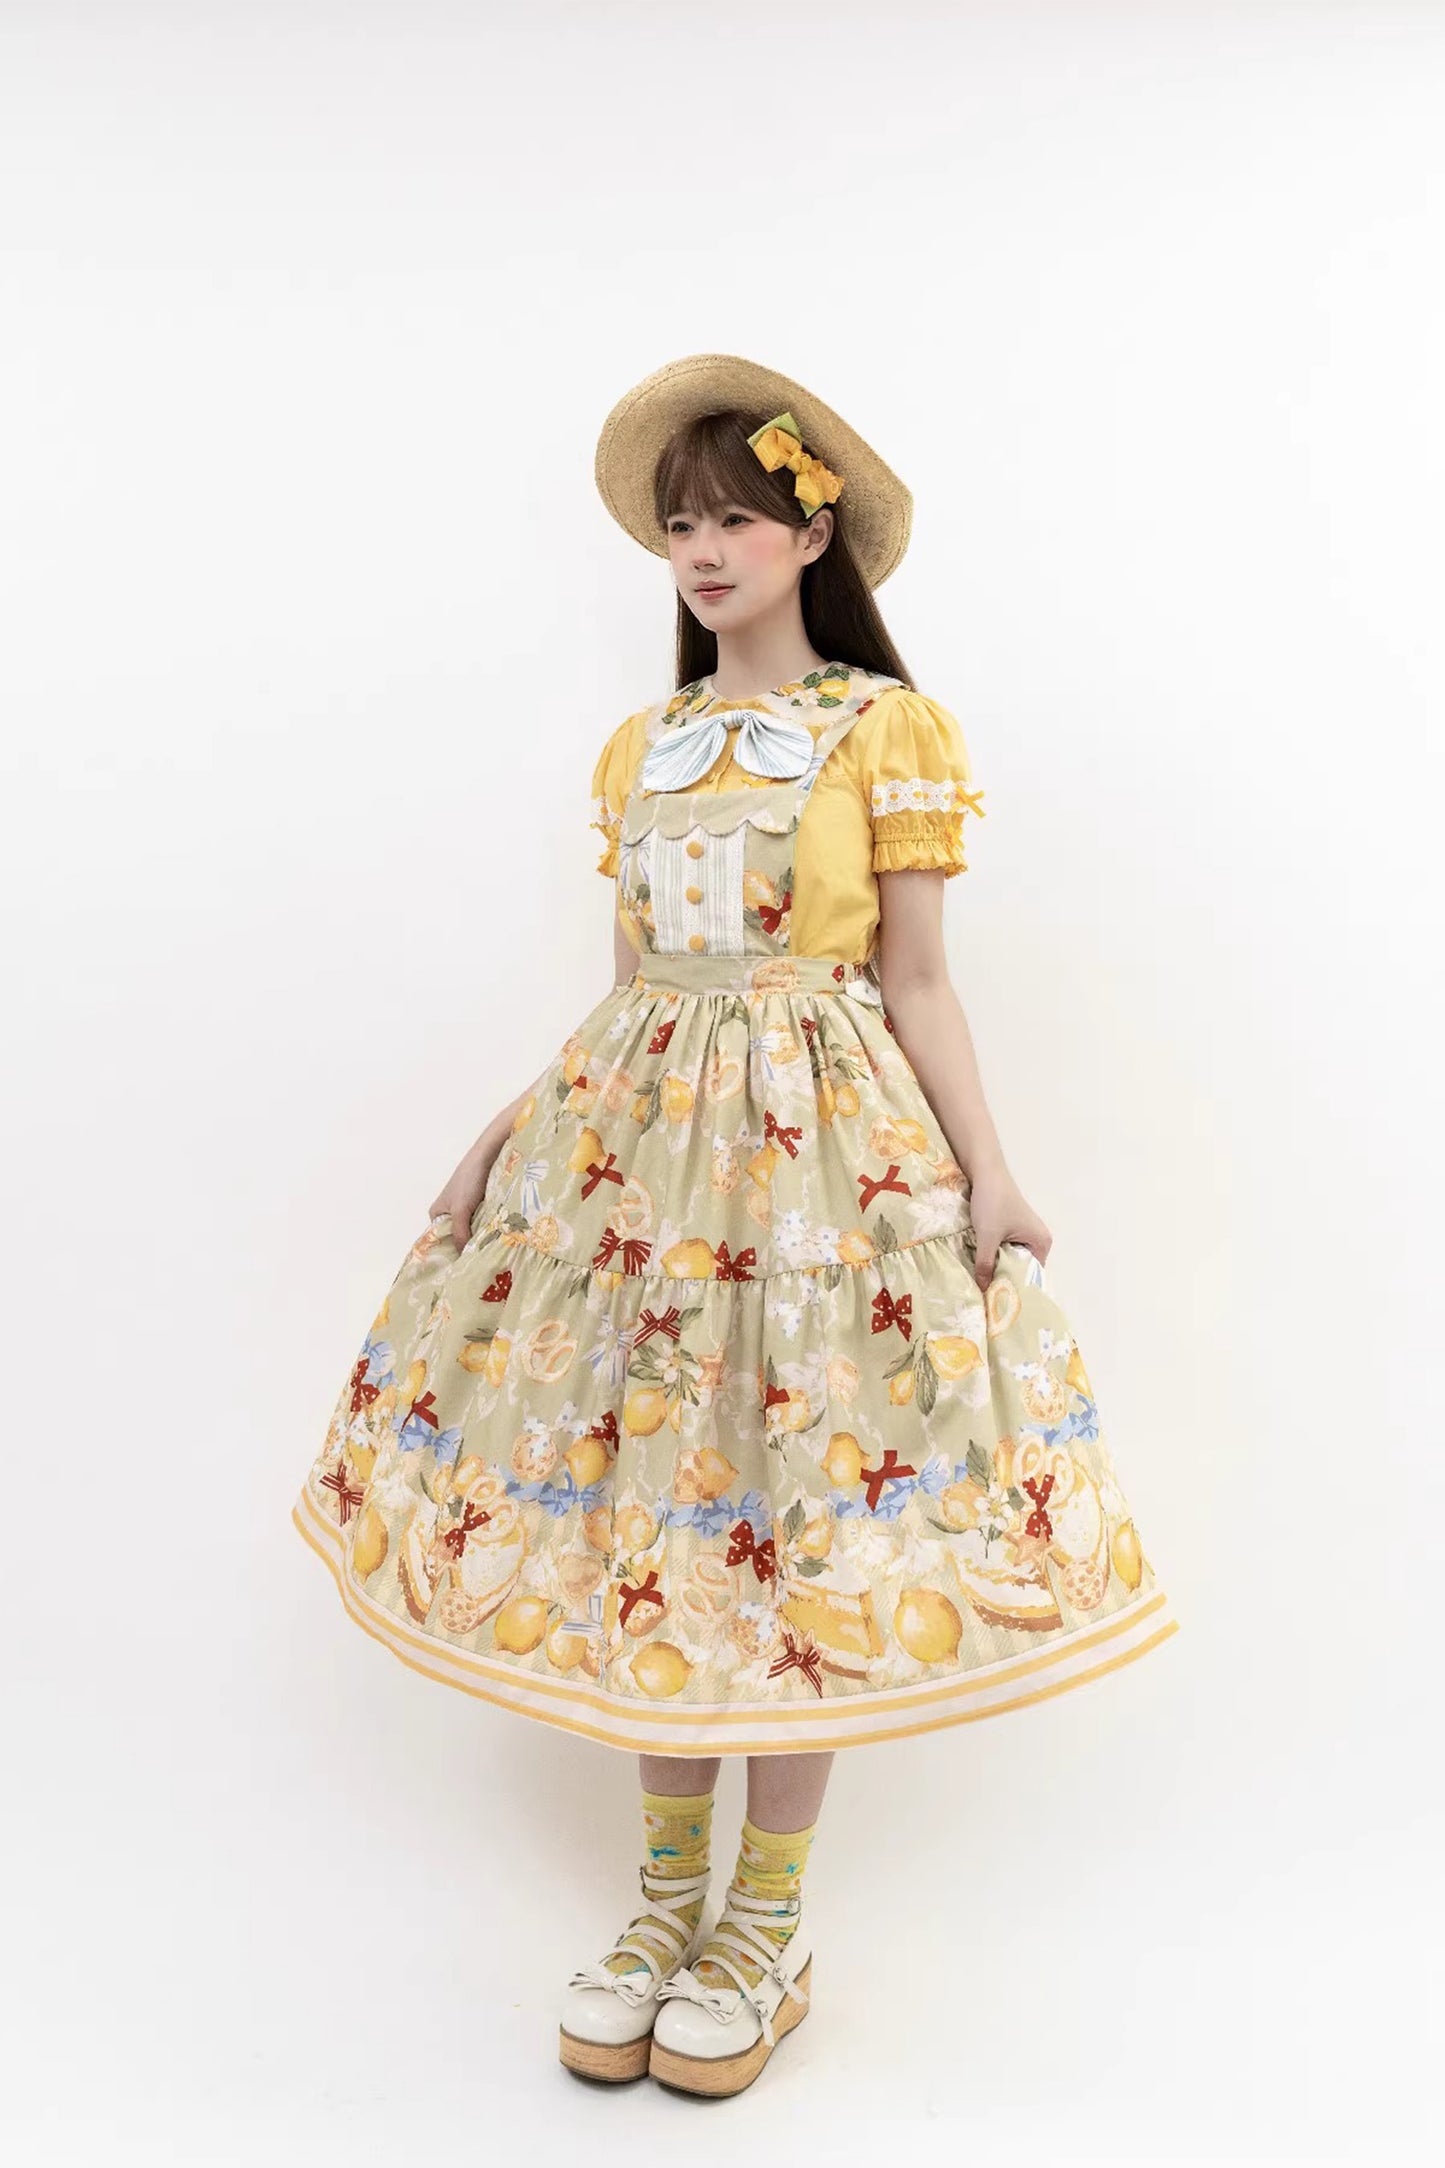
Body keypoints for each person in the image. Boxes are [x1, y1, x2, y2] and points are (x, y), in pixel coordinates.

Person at [292, 352, 1181, 2098]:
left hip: (819, 1161)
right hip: (636, 1170)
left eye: (733, 520)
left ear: (808, 536)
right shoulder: (643, 748)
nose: (700, 552)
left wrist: (989, 1169)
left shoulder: (882, 729)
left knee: (795, 1509)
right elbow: (632, 985)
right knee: (660, 1502)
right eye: (678, 525)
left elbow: (916, 979)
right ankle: (658, 1910)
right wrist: (498, 1136)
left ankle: (763, 1924)